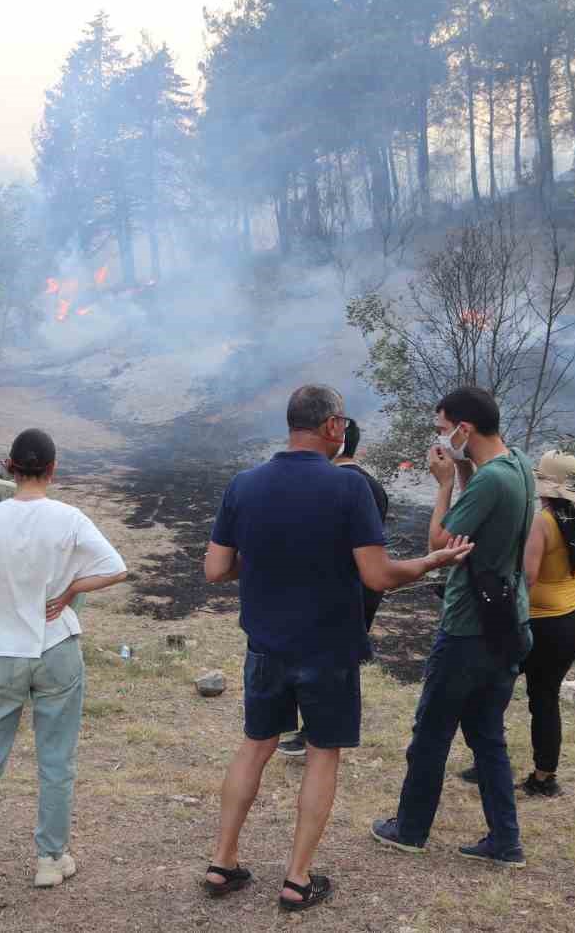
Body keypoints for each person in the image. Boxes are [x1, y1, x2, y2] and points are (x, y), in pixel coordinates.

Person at [201, 385, 472, 913]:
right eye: (342, 421)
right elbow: (377, 575)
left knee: (256, 744)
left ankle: (222, 862)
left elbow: (215, 568)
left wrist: (262, 561)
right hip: (328, 649)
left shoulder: (245, 484)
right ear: (331, 426)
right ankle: (296, 880)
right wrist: (431, 564)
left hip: (265, 647)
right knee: (323, 754)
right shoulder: (350, 489)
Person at [0, 428, 128, 890]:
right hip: (56, 649)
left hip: (3, 653)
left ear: (10, 467)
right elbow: (116, 567)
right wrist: (70, 590)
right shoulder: (69, 518)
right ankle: (50, 860)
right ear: (52, 470)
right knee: (56, 759)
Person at [370, 386, 536, 869]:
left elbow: (441, 541)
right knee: (486, 734)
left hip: (468, 628)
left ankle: (410, 828)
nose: (440, 437)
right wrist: (462, 468)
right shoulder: (517, 465)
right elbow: (479, 510)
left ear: (464, 428)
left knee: (431, 730)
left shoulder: (489, 481)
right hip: (507, 623)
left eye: (444, 428)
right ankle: (505, 841)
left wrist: (442, 483)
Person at [462, 450, 575, 798]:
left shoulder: (542, 521)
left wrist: (499, 611)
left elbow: (528, 578)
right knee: (545, 697)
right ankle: (544, 777)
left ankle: (487, 760)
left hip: (542, 623)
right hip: (574, 618)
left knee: (492, 688)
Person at [277, 417, 391, 759]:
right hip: (362, 588)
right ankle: (316, 730)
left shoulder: (345, 484)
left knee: (326, 663)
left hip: (344, 589)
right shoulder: (372, 485)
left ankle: (316, 733)